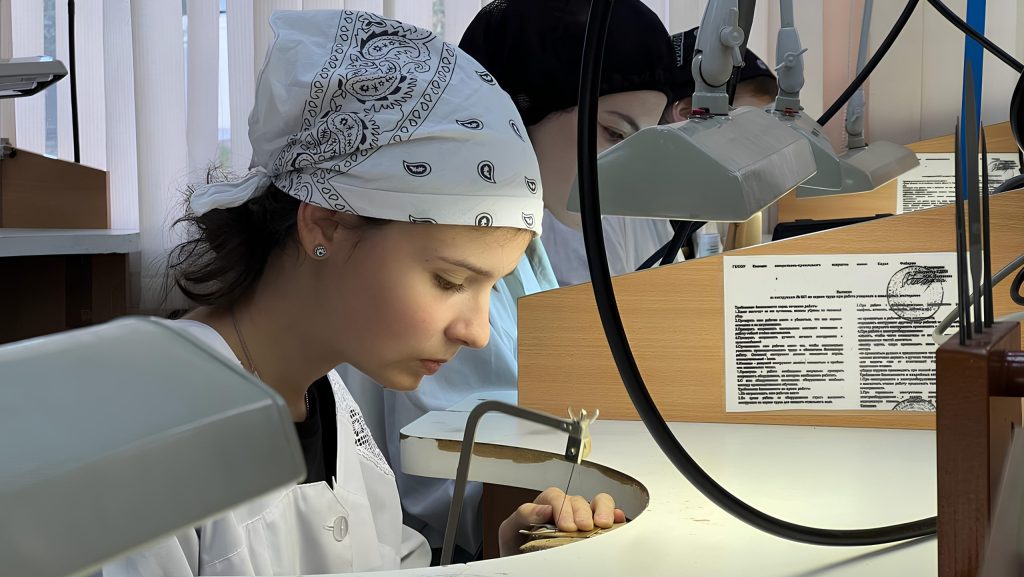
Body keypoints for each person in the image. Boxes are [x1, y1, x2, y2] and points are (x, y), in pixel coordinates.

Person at [103, 10, 622, 576]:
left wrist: (504, 558)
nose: (476, 332)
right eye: (450, 281)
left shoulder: (327, 400)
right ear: (325, 224)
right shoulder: (147, 436)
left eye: (492, 287)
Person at [461, 0, 679, 287]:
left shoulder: (521, 246)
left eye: (641, 144)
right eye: (614, 133)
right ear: (522, 106)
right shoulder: (443, 244)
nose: (633, 175)